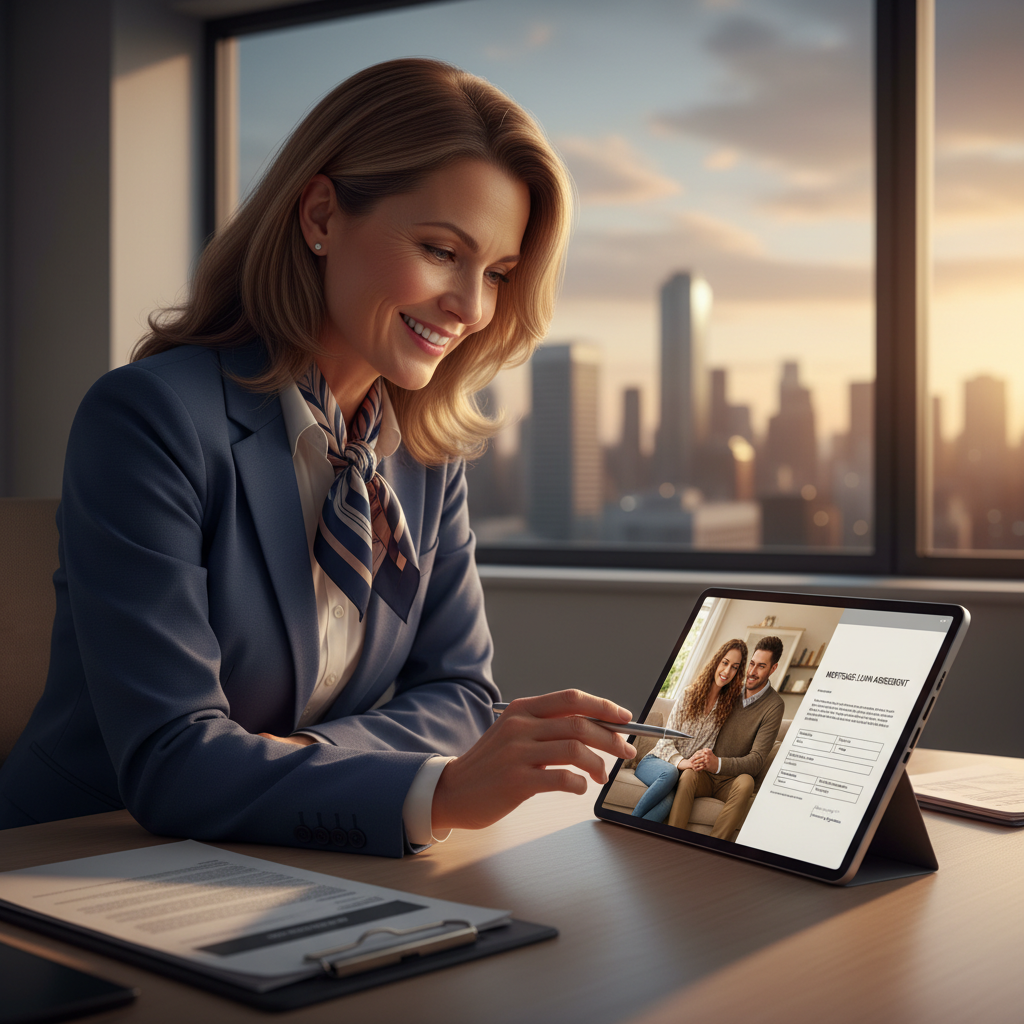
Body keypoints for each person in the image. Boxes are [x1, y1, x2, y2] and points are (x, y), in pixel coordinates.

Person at [0, 58, 637, 853]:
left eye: (499, 274)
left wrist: (299, 766)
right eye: (442, 250)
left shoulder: (425, 454)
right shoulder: (150, 419)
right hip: (78, 859)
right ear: (323, 215)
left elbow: (462, 694)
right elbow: (170, 761)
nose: (472, 307)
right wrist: (435, 786)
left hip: (287, 855)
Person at [666, 634, 786, 840]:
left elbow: (757, 760)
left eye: (761, 667)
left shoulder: (774, 706)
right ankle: (671, 840)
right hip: (705, 774)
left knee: (747, 782)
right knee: (689, 775)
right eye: (751, 664)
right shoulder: (730, 690)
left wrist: (718, 764)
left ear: (773, 669)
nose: (752, 672)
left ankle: (712, 848)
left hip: (731, 781)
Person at [630, 640, 747, 822]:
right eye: (725, 662)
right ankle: (628, 823)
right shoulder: (689, 694)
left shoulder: (726, 710)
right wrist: (682, 762)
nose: (727, 671)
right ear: (717, 661)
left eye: (734, 667)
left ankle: (631, 837)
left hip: (683, 774)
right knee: (670, 773)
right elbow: (667, 738)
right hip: (657, 762)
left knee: (668, 802)